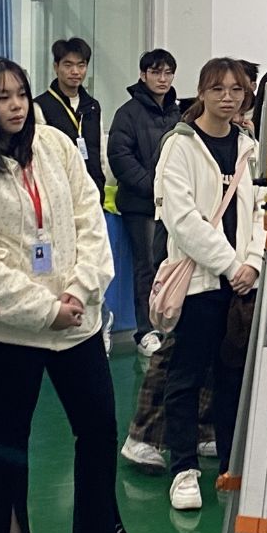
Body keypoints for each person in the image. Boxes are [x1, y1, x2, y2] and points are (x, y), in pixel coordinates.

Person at [0, 58, 154, 533]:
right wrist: (44, 308)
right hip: (9, 330)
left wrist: (79, 292)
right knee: (11, 438)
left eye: (21, 94)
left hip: (75, 322)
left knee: (98, 428)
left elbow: (90, 221)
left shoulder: (55, 146)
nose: (16, 106)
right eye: (2, 97)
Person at [157, 57, 265, 512]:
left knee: (233, 379)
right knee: (185, 377)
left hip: (240, 288)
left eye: (236, 90)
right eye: (218, 89)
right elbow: (181, 219)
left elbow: (262, 209)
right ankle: (183, 469)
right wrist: (230, 265)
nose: (228, 98)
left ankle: (230, 465)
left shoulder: (248, 146)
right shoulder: (180, 146)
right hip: (201, 283)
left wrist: (254, 263)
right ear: (201, 92)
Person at [107, 48, 181, 356]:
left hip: (174, 204)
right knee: (147, 267)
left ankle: (170, 326)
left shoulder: (178, 113)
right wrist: (153, 188)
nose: (162, 79)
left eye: (168, 73)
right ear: (143, 75)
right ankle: (146, 331)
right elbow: (119, 156)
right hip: (141, 205)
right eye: (156, 72)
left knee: (172, 265)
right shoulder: (127, 113)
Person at [34, 37, 106, 202]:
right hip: (58, 192)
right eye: (68, 65)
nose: (75, 71)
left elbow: (101, 152)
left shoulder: (92, 106)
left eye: (81, 65)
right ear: (56, 67)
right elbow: (39, 157)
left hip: (92, 190)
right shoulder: (40, 106)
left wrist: (100, 186)